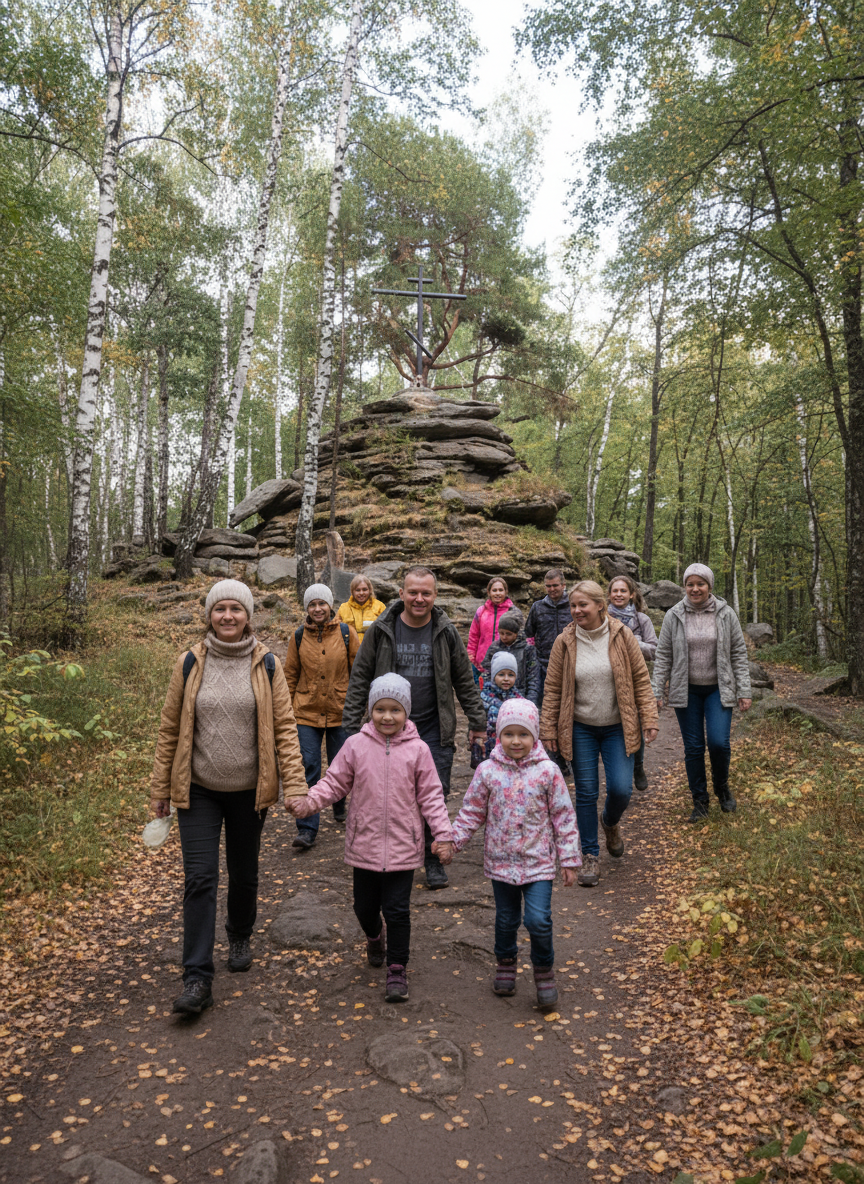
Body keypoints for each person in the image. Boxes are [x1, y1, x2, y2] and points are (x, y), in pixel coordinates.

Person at [150, 579, 307, 1016]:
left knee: (244, 874)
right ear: (209, 616)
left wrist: (296, 786)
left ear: (248, 616)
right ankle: (197, 976)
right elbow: (169, 728)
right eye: (219, 609)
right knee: (200, 879)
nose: (227, 616)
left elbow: (284, 729)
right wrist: (161, 788)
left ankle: (239, 933)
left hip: (249, 791)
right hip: (198, 789)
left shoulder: (268, 664)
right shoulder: (189, 662)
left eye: (236, 609)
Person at [288, 674, 452, 1003]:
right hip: (364, 844)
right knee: (364, 908)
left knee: (397, 910)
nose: (387, 717)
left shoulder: (418, 750)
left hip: (403, 846)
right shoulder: (355, 746)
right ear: (370, 710)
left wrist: (444, 835)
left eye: (395, 710)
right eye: (380, 709)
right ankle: (375, 936)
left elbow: (432, 796)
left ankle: (397, 969)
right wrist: (309, 803)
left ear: (406, 712)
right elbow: (334, 782)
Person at [342, 565, 486, 889]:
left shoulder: (445, 631)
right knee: (393, 796)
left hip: (434, 729)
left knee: (436, 794)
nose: (419, 599)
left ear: (435, 595)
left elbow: (464, 679)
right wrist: (350, 729)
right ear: (401, 593)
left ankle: (432, 859)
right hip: (388, 730)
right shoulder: (382, 629)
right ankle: (396, 856)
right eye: (413, 592)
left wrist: (478, 722)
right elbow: (360, 677)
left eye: (426, 593)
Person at [435, 700, 581, 1008]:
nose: (516, 741)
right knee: (506, 919)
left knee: (538, 920)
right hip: (501, 862)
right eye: (509, 734)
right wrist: (452, 841)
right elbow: (472, 811)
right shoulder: (488, 772)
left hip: (538, 863)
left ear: (534, 736)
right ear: (498, 735)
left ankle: (543, 971)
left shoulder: (548, 772)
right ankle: (505, 963)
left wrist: (569, 859)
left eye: (523, 734)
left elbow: (563, 816)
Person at [540, 580, 658, 888]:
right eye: (573, 606)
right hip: (581, 727)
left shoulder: (622, 635)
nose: (576, 611)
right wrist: (548, 728)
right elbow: (552, 689)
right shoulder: (565, 641)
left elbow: (640, 679)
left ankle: (610, 822)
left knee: (621, 789)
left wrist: (649, 717)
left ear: (599, 605)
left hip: (618, 726)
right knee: (586, 792)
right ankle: (590, 855)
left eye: (583, 605)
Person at [652, 563, 752, 822]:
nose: (695, 589)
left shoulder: (726, 614)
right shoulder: (674, 615)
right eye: (690, 584)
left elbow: (738, 653)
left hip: (718, 689)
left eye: (700, 584)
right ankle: (700, 801)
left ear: (709, 586)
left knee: (719, 743)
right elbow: (663, 656)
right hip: (687, 691)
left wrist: (744, 689)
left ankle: (722, 787)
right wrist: (656, 692)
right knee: (694, 748)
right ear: (684, 586)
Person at [284, 583, 360, 850]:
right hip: (305, 711)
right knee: (309, 766)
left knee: (341, 765)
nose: (317, 609)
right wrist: (285, 710)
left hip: (341, 710)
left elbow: (359, 671)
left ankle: (339, 802)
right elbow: (290, 675)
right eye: (312, 605)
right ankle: (307, 828)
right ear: (307, 608)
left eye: (322, 604)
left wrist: (359, 705)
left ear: (330, 606)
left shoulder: (346, 633)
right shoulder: (298, 637)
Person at [607, 575, 659, 792]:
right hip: (608, 679)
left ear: (631, 595)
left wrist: (633, 642)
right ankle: (618, 773)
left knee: (635, 724)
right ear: (609, 594)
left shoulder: (642, 620)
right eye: (615, 591)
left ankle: (638, 766)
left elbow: (654, 650)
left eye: (623, 591)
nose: (618, 594)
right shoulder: (601, 617)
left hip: (635, 679)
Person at [524, 569, 571, 704]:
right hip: (543, 665)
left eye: (555, 585)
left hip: (569, 663)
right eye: (548, 586)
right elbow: (528, 633)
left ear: (563, 585)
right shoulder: (537, 607)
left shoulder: (573, 606)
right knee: (545, 704)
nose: (552, 589)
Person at [482, 610, 540, 704]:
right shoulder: (494, 648)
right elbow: (486, 673)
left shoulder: (527, 650)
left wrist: (530, 702)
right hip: (497, 697)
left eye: (508, 634)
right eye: (501, 633)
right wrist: (489, 696)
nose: (504, 637)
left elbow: (533, 679)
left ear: (517, 633)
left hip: (521, 697)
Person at [467, 577, 514, 683]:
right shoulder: (481, 611)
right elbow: (474, 636)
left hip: (504, 668)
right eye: (494, 590)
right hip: (481, 666)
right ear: (489, 592)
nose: (497, 593)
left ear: (506, 592)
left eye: (501, 590)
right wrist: (472, 658)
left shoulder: (512, 612)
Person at [480, 651, 526, 758]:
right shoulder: (485, 697)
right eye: (501, 674)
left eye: (510, 675)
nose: (506, 679)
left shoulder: (518, 698)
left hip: (511, 746)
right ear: (493, 675)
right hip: (490, 746)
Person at [337, 575, 387, 643]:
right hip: (350, 647)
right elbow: (335, 631)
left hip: (373, 646)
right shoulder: (343, 608)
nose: (361, 593)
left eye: (364, 589)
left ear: (370, 590)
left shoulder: (380, 606)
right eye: (358, 590)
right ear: (352, 592)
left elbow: (386, 630)